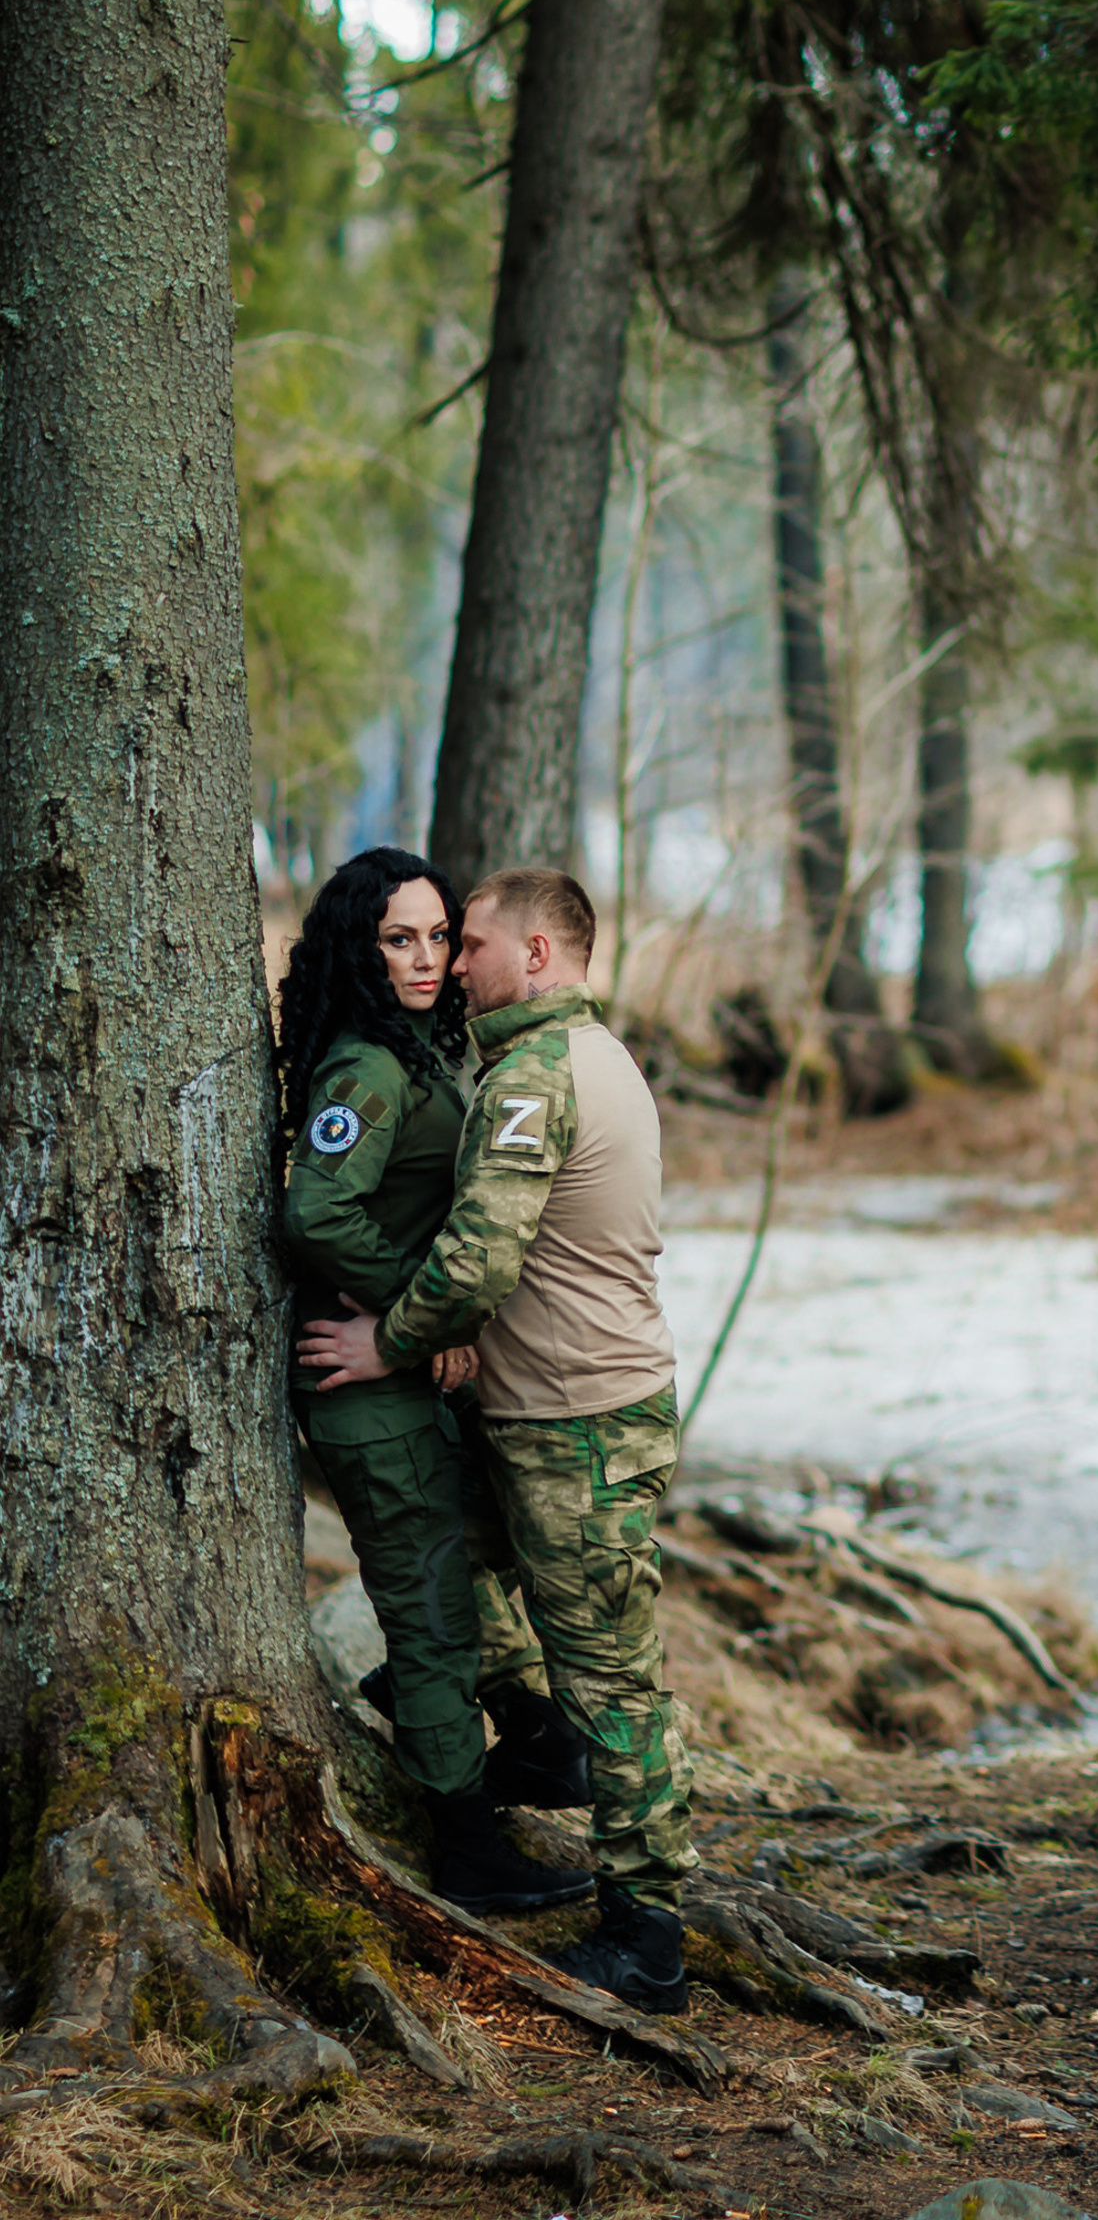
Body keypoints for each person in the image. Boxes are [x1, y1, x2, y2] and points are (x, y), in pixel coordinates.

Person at [297, 867, 696, 2013]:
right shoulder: (577, 1055)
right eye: (427, 941)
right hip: (552, 1412)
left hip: (578, 1422)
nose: (450, 964)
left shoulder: (535, 1076)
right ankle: (523, 1736)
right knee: (452, 1558)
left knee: (616, 1686)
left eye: (467, 942)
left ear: (533, 954)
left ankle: (645, 1938)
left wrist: (393, 1339)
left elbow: (478, 1257)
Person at [276, 848, 594, 1916]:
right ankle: (465, 1848)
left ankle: (533, 1740)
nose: (428, 959)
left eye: (440, 936)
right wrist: (419, 1314)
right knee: (427, 1616)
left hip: (411, 1377)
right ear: (361, 952)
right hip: (366, 1385)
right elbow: (317, 1213)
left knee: (464, 1577)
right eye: (399, 939)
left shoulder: (419, 1052)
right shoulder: (367, 1067)